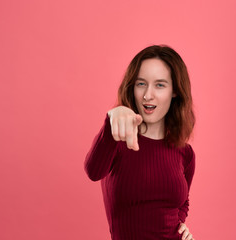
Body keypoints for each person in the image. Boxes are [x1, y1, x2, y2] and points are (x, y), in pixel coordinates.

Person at [84, 45, 196, 240]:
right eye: (141, 84)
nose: (147, 95)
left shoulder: (185, 152)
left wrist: (182, 225)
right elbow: (93, 171)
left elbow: (182, 203)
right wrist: (112, 120)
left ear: (175, 91)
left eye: (160, 85)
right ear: (132, 87)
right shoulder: (116, 140)